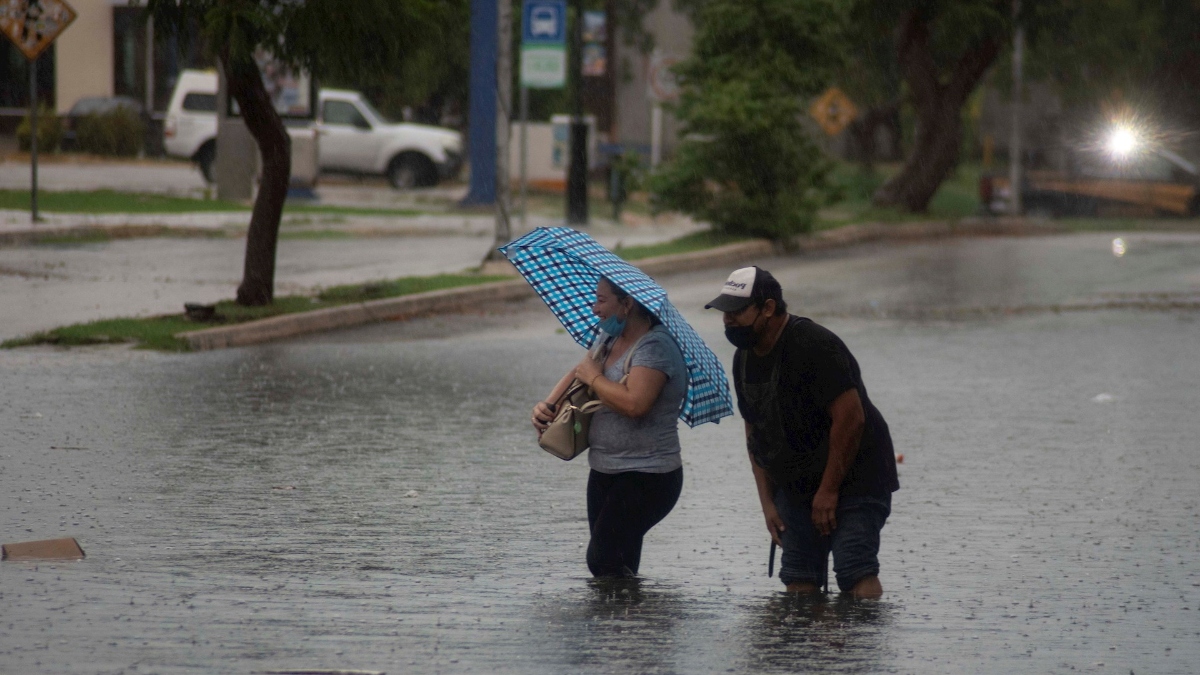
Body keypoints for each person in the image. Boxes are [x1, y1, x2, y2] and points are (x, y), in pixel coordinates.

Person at [705, 266, 899, 598]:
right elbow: (755, 432)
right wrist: (767, 502)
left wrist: (828, 492)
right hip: (796, 482)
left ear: (768, 308)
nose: (728, 321)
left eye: (737, 311)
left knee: (854, 568)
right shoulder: (744, 359)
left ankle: (862, 646)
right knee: (798, 580)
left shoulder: (815, 345)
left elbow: (852, 420)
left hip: (858, 475)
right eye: (725, 312)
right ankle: (802, 649)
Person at [531, 277, 688, 577]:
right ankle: (629, 622)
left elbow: (635, 404)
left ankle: (634, 618)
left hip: (648, 475)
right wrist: (548, 405)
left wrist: (594, 379)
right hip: (604, 470)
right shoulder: (608, 338)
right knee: (617, 563)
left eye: (602, 300)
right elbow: (581, 369)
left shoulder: (655, 347)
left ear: (627, 304)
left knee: (602, 558)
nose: (594, 309)